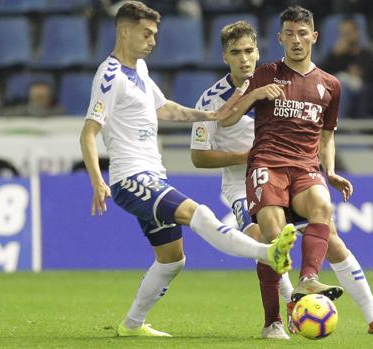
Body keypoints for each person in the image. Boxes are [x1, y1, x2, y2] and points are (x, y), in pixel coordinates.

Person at [79, 1, 296, 338]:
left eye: (155, 34)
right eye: (146, 33)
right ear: (125, 31)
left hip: (153, 174)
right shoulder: (110, 75)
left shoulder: (140, 71)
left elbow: (166, 109)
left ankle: (132, 325)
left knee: (172, 259)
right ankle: (267, 252)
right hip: (132, 177)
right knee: (198, 213)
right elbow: (88, 132)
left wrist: (212, 116)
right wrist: (97, 179)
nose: (153, 41)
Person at [226, 5, 373, 335]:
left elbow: (327, 136)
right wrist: (256, 94)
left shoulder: (330, 85)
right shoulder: (265, 74)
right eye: (289, 34)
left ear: (314, 37)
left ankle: (309, 281)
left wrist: (330, 171)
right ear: (280, 38)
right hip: (269, 165)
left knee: (324, 208)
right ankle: (273, 321)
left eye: (302, 33)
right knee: (273, 238)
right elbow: (228, 117)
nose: (296, 40)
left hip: (305, 168)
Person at [190, 21, 295, 340]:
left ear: (258, 51)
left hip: (285, 176)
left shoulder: (281, 85)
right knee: (265, 237)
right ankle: (277, 318)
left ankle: (370, 314)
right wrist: (249, 156)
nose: (244, 58)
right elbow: (199, 156)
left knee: (317, 230)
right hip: (242, 186)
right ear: (225, 57)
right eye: (236, 53)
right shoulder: (210, 101)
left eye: (249, 51)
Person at [320, 18, 373, 117]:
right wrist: (334, 55)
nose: (345, 37)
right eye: (343, 34)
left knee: (342, 88)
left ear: (356, 33)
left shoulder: (367, 55)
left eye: (348, 33)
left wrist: (361, 75)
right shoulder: (336, 56)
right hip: (339, 91)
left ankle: (338, 124)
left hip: (362, 93)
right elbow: (318, 73)